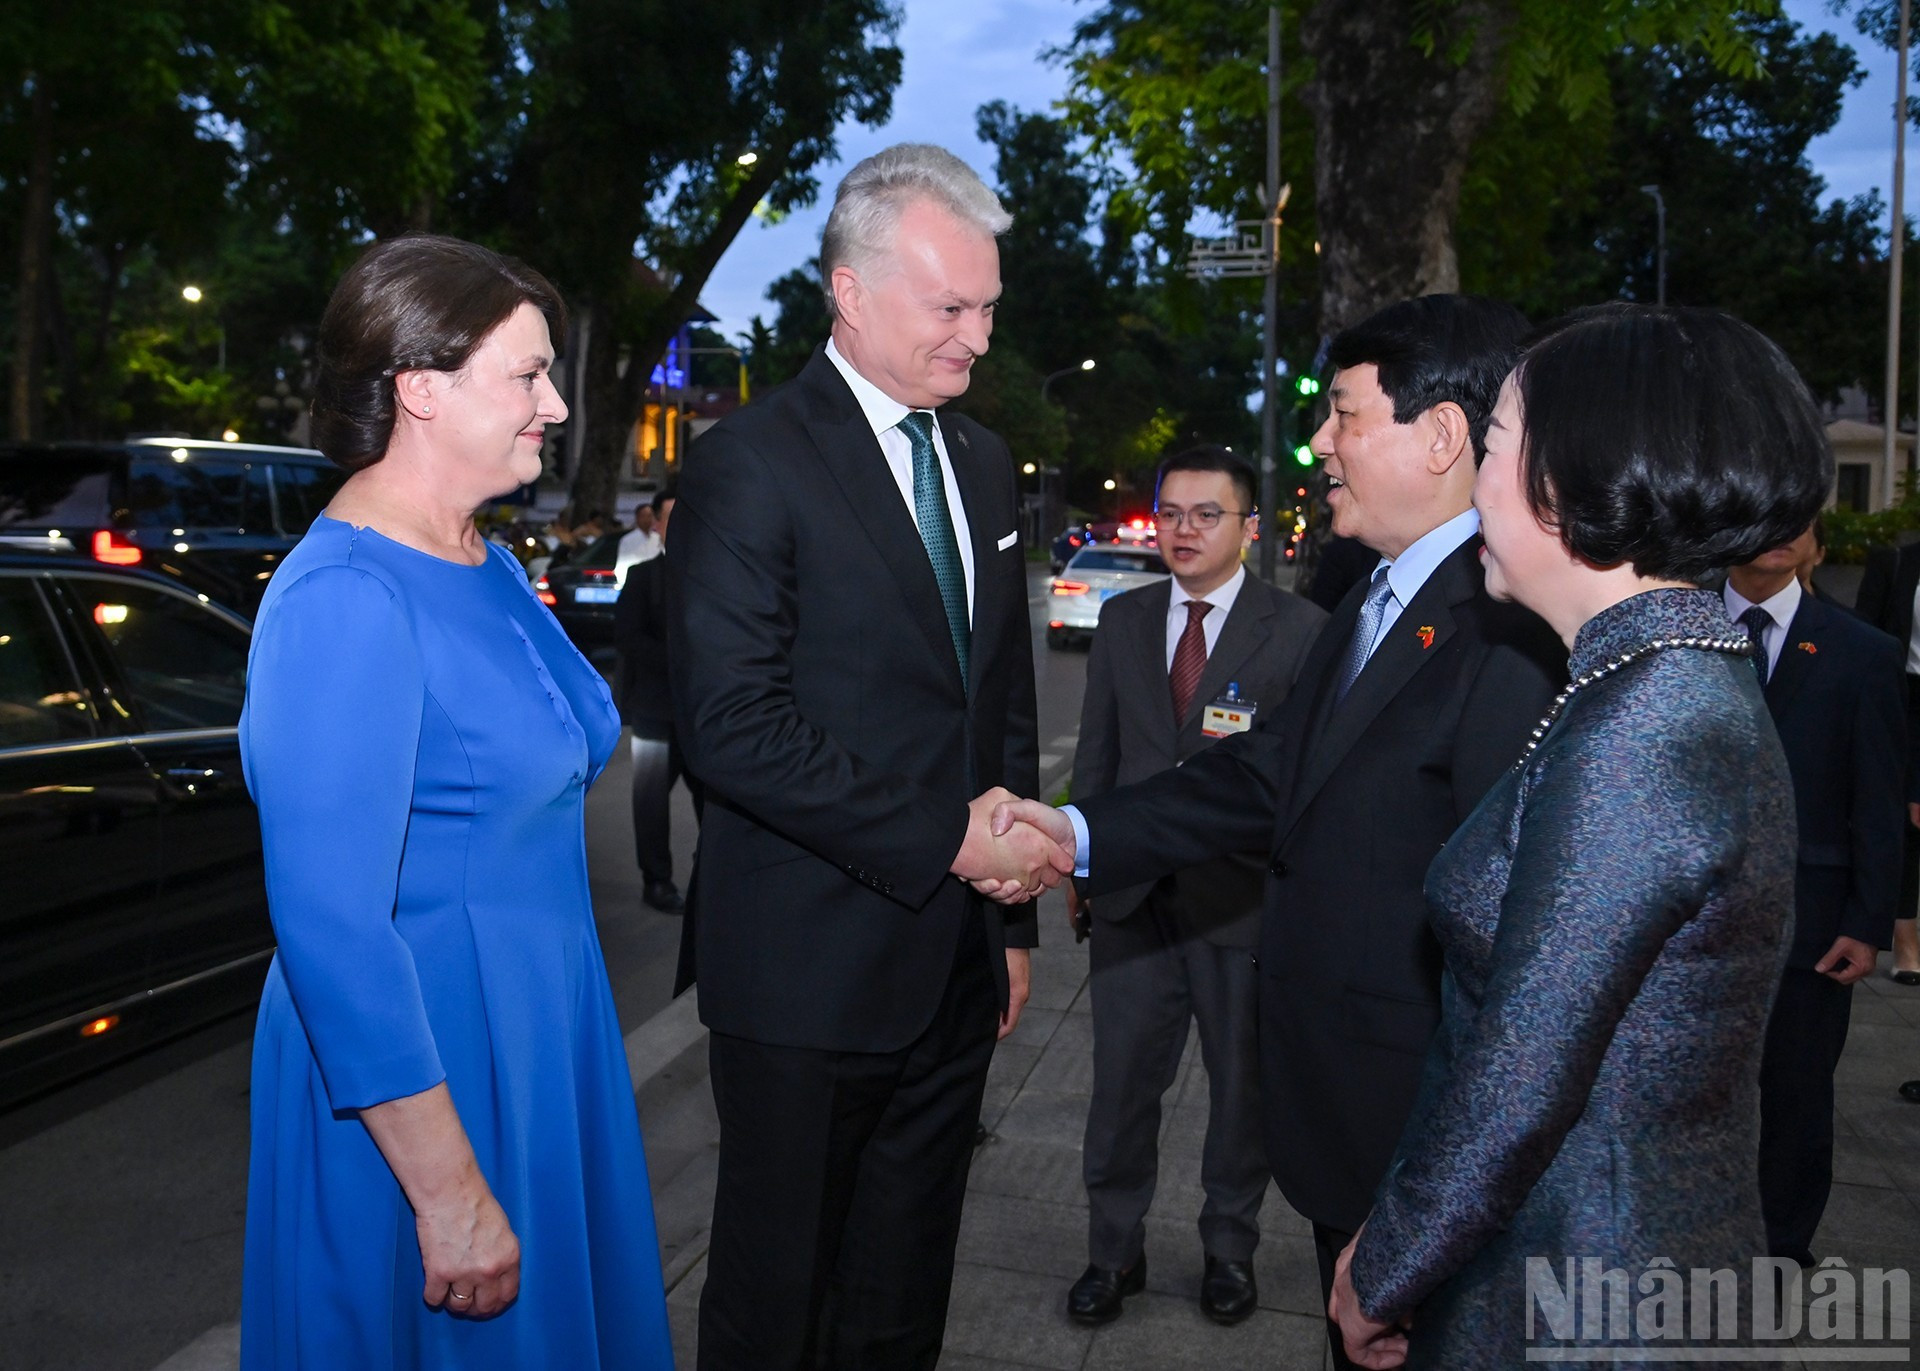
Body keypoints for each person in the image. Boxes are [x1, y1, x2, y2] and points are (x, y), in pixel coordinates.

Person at [996, 294, 1564, 1369]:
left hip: (1416, 1136)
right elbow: (1265, 776)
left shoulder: (1510, 626)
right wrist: (1073, 832)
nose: (1318, 443)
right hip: (1353, 1124)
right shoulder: (1374, 598)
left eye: (1344, 415)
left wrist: (1429, 1217)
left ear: (1441, 435)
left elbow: (1522, 968)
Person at [1325, 303, 1830, 1367]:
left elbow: (1523, 1073)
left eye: (1496, 445)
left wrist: (1386, 1269)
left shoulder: (1649, 725)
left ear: (1576, 481)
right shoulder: (1649, 681)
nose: (1479, 483)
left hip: (1589, 1292)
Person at [665, 143, 1073, 1370]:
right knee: (778, 1300)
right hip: (803, 973)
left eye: (990, 307)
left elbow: (992, 700)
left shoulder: (987, 463)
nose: (980, 338)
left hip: (950, 968)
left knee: (902, 1297)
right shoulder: (750, 462)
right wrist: (949, 840)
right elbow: (731, 725)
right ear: (851, 293)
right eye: (952, 307)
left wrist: (1005, 927)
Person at [238, 235, 671, 1368]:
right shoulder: (344, 596)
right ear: (420, 388)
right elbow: (333, 929)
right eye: (528, 375)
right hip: (424, 1075)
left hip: (532, 1033)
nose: (559, 404)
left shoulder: (480, 558)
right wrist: (447, 1190)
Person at [1066, 444, 1326, 1327]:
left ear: (1248, 528)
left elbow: (1299, 787)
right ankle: (1113, 1253)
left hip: (1239, 904)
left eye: (1205, 514)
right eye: (1171, 512)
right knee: (1121, 1091)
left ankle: (1230, 1250)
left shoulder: (1298, 632)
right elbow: (1098, 754)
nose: (1182, 529)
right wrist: (1083, 866)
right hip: (1133, 905)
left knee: (1240, 1093)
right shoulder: (1127, 618)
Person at [1725, 524, 1905, 1268]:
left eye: (1798, 519)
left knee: (1796, 1099)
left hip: (1812, 921)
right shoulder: (1679, 629)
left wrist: (1868, 922)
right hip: (1689, 916)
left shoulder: (1862, 652)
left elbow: (1879, 797)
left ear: (1819, 548)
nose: (1780, 533)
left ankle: (1780, 1247)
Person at [614, 486, 697, 915]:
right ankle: (657, 882)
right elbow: (626, 637)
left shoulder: (719, 576)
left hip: (706, 713)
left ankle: (712, 880)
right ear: (657, 526)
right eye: (671, 518)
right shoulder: (644, 577)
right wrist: (682, 659)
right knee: (650, 804)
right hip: (655, 710)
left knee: (722, 804)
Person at [1850, 538, 1920, 984]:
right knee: (1908, 819)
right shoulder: (1896, 561)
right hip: (1909, 701)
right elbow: (1867, 633)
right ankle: (1907, 939)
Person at [614, 501, 662, 586]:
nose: (647, 520)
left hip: (656, 583)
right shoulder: (627, 540)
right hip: (635, 583)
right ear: (637, 518)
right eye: (644, 516)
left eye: (650, 516)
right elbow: (621, 567)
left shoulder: (658, 538)